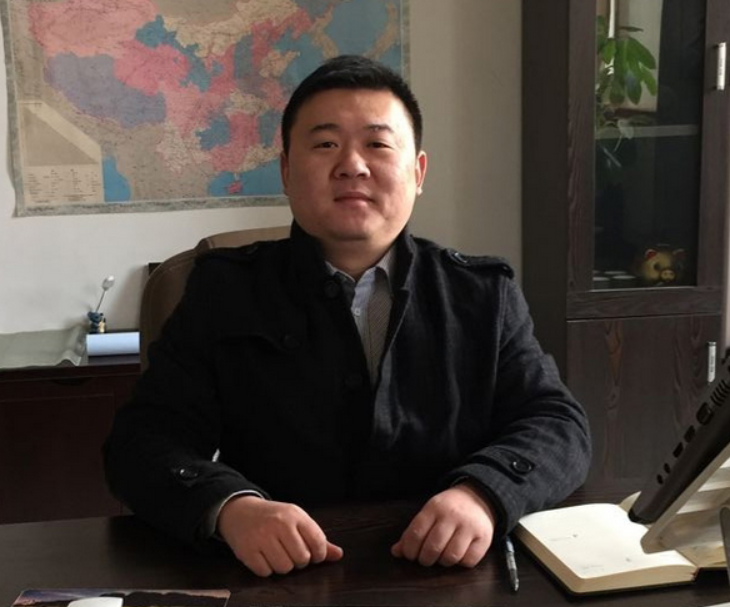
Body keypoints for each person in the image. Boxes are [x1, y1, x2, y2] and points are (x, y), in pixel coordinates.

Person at [104, 55, 591, 578]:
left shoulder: (482, 295)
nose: (352, 166)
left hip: (443, 572)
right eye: (325, 144)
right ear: (287, 171)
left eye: (378, 144)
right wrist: (230, 508)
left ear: (418, 173)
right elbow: (142, 441)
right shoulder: (223, 290)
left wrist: (484, 493)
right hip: (278, 573)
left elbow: (557, 424)